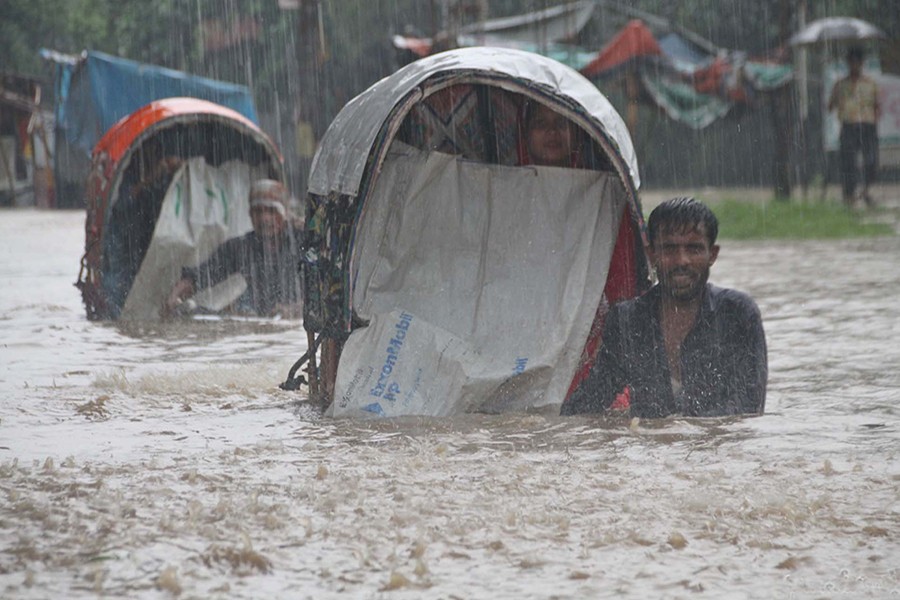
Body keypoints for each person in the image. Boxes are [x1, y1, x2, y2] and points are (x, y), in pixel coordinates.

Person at [561, 197, 767, 418]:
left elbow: (748, 408)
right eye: (669, 249)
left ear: (712, 255)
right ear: (652, 255)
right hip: (647, 441)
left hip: (715, 441)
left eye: (694, 249)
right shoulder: (627, 320)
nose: (682, 260)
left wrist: (680, 429)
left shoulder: (737, 314)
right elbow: (588, 401)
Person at [163, 178, 303, 318]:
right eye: (258, 211)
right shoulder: (241, 247)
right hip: (259, 322)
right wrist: (175, 296)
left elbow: (317, 293)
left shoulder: (303, 242)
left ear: (284, 213)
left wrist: (296, 309)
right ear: (250, 214)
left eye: (271, 210)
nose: (264, 218)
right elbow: (203, 274)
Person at [828, 45, 880, 207]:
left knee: (871, 160)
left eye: (857, 61)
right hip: (849, 126)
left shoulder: (870, 83)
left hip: (867, 125)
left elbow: (877, 106)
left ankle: (866, 191)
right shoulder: (840, 84)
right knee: (848, 162)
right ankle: (849, 195)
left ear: (862, 63)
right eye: (852, 61)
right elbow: (830, 106)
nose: (854, 65)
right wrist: (840, 101)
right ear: (848, 63)